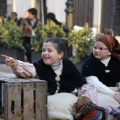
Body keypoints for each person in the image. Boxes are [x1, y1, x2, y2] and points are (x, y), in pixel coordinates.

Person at [1, 37, 86, 95]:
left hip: (66, 99)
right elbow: (30, 70)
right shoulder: (41, 65)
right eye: (43, 50)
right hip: (47, 101)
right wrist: (15, 64)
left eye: (49, 50)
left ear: (60, 54)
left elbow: (81, 84)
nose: (45, 53)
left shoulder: (68, 66)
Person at [81, 35, 120, 103]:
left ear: (109, 51)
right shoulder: (89, 64)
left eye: (100, 48)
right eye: (95, 48)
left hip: (115, 91)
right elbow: (94, 83)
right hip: (97, 93)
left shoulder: (116, 62)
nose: (96, 50)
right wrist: (114, 95)